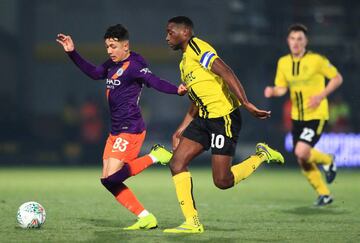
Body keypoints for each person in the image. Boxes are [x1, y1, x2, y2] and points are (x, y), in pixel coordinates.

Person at [56, 24, 187, 230]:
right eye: (107, 46)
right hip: (116, 130)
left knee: (112, 178)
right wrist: (72, 53)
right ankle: (145, 217)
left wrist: (176, 90)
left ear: (125, 46)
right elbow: (94, 73)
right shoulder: (111, 64)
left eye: (113, 46)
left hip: (131, 128)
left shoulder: (134, 65)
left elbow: (153, 81)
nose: (109, 51)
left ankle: (156, 156)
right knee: (107, 180)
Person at [162, 16, 284, 234]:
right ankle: (192, 222)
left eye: (171, 32)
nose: (167, 37)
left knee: (222, 181)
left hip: (223, 118)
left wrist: (246, 103)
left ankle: (261, 155)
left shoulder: (198, 47)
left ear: (186, 32)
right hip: (203, 119)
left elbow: (226, 71)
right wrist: (181, 128)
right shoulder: (184, 64)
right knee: (176, 163)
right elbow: (196, 100)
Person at [264, 24, 343, 206]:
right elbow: (282, 88)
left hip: (316, 115)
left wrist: (320, 96)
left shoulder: (317, 60)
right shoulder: (283, 62)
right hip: (296, 117)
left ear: (306, 41)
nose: (296, 42)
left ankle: (328, 160)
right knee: (302, 158)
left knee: (301, 150)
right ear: (288, 41)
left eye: (300, 39)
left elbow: (337, 78)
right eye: (293, 39)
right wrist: (273, 91)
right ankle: (324, 194)